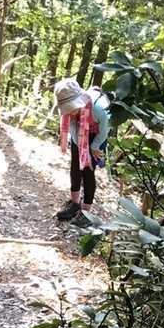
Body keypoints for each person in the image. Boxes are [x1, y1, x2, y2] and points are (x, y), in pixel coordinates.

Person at [53, 77, 111, 224]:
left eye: (71, 109)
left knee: (87, 171)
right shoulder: (71, 114)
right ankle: (74, 203)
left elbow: (105, 130)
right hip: (79, 133)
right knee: (75, 168)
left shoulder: (99, 108)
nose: (69, 113)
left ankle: (86, 212)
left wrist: (94, 147)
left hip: (97, 136)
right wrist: (78, 145)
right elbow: (73, 126)